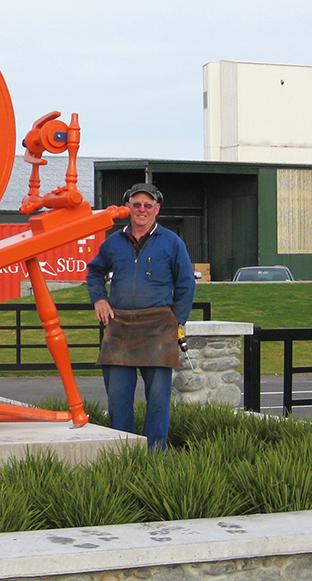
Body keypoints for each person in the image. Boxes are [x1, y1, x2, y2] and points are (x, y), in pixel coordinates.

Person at [86, 183, 195, 450]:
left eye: (148, 205)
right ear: (129, 209)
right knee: (117, 397)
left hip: (159, 328)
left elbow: (186, 284)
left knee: (158, 398)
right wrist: (99, 298)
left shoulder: (172, 242)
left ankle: (156, 453)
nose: (142, 210)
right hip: (119, 327)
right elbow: (94, 272)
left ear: (157, 209)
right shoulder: (113, 243)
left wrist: (176, 320)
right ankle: (123, 451)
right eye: (136, 204)